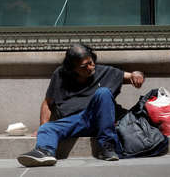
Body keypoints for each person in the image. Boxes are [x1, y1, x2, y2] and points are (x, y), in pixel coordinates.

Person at [17, 44, 145, 167]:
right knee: (47, 128)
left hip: (99, 120)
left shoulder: (103, 71)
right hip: (75, 121)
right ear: (73, 69)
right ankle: (44, 152)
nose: (90, 67)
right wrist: (42, 126)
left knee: (103, 92)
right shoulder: (60, 75)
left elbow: (132, 75)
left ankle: (107, 147)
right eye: (84, 66)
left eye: (91, 62)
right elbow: (47, 103)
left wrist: (137, 74)